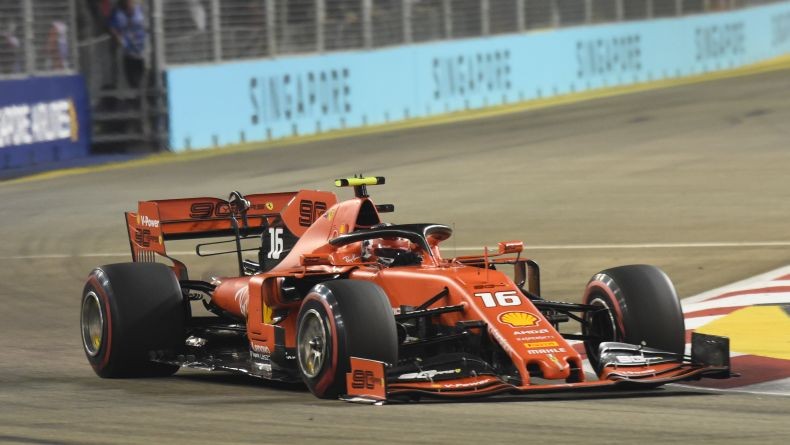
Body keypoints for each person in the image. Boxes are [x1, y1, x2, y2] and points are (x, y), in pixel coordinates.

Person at [109, 0, 146, 88]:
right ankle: (137, 97)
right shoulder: (118, 13)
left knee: (144, 79)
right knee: (132, 81)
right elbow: (111, 26)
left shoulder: (140, 9)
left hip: (143, 52)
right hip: (128, 53)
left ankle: (143, 97)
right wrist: (119, 38)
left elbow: (147, 25)